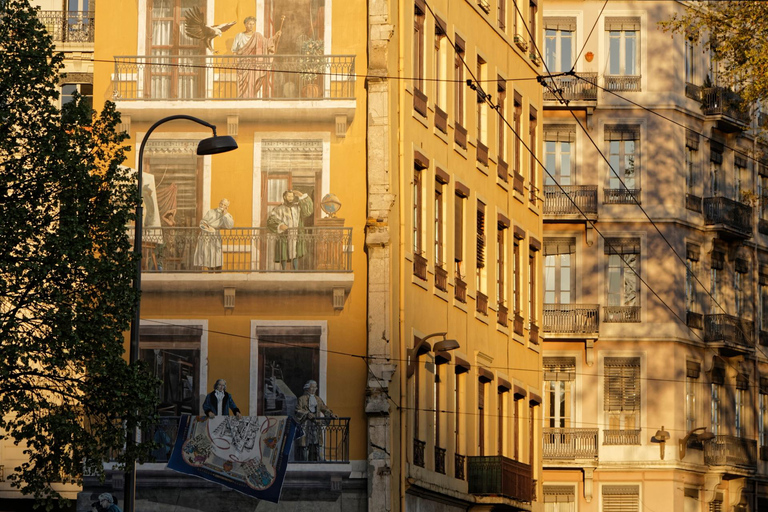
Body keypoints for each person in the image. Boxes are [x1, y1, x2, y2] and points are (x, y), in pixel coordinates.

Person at [231, 16, 281, 98]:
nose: (251, 26)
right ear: (245, 24)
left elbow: (267, 43)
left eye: (253, 24)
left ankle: (250, 98)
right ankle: (242, 99)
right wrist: (234, 61)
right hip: (242, 64)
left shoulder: (257, 36)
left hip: (254, 65)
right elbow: (234, 51)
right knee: (243, 83)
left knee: (251, 82)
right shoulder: (239, 36)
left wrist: (275, 36)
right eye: (249, 24)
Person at [267, 190, 313, 270]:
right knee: (284, 252)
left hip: (296, 234)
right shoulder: (279, 209)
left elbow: (308, 211)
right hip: (284, 234)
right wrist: (280, 225)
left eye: (292, 196)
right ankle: (284, 270)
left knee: (295, 253)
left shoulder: (298, 208)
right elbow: (271, 220)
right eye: (289, 196)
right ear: (284, 197)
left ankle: (295, 270)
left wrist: (302, 196)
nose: (291, 198)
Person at [294, 380, 336, 461]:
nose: (314, 389)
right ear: (307, 388)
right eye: (312, 387)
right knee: (305, 444)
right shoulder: (301, 399)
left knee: (317, 443)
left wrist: (331, 414)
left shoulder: (318, 399)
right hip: (305, 424)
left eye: (315, 387)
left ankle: (319, 459)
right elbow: (297, 410)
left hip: (315, 424)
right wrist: (306, 413)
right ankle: (305, 461)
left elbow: (324, 408)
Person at [193, 198, 234, 271]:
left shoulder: (227, 215)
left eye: (224, 205)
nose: (222, 206)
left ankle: (218, 275)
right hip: (206, 236)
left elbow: (230, 226)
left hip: (216, 236)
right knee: (208, 257)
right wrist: (209, 228)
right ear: (219, 203)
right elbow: (202, 223)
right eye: (221, 203)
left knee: (217, 257)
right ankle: (210, 273)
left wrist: (225, 214)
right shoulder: (211, 212)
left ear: (227, 207)